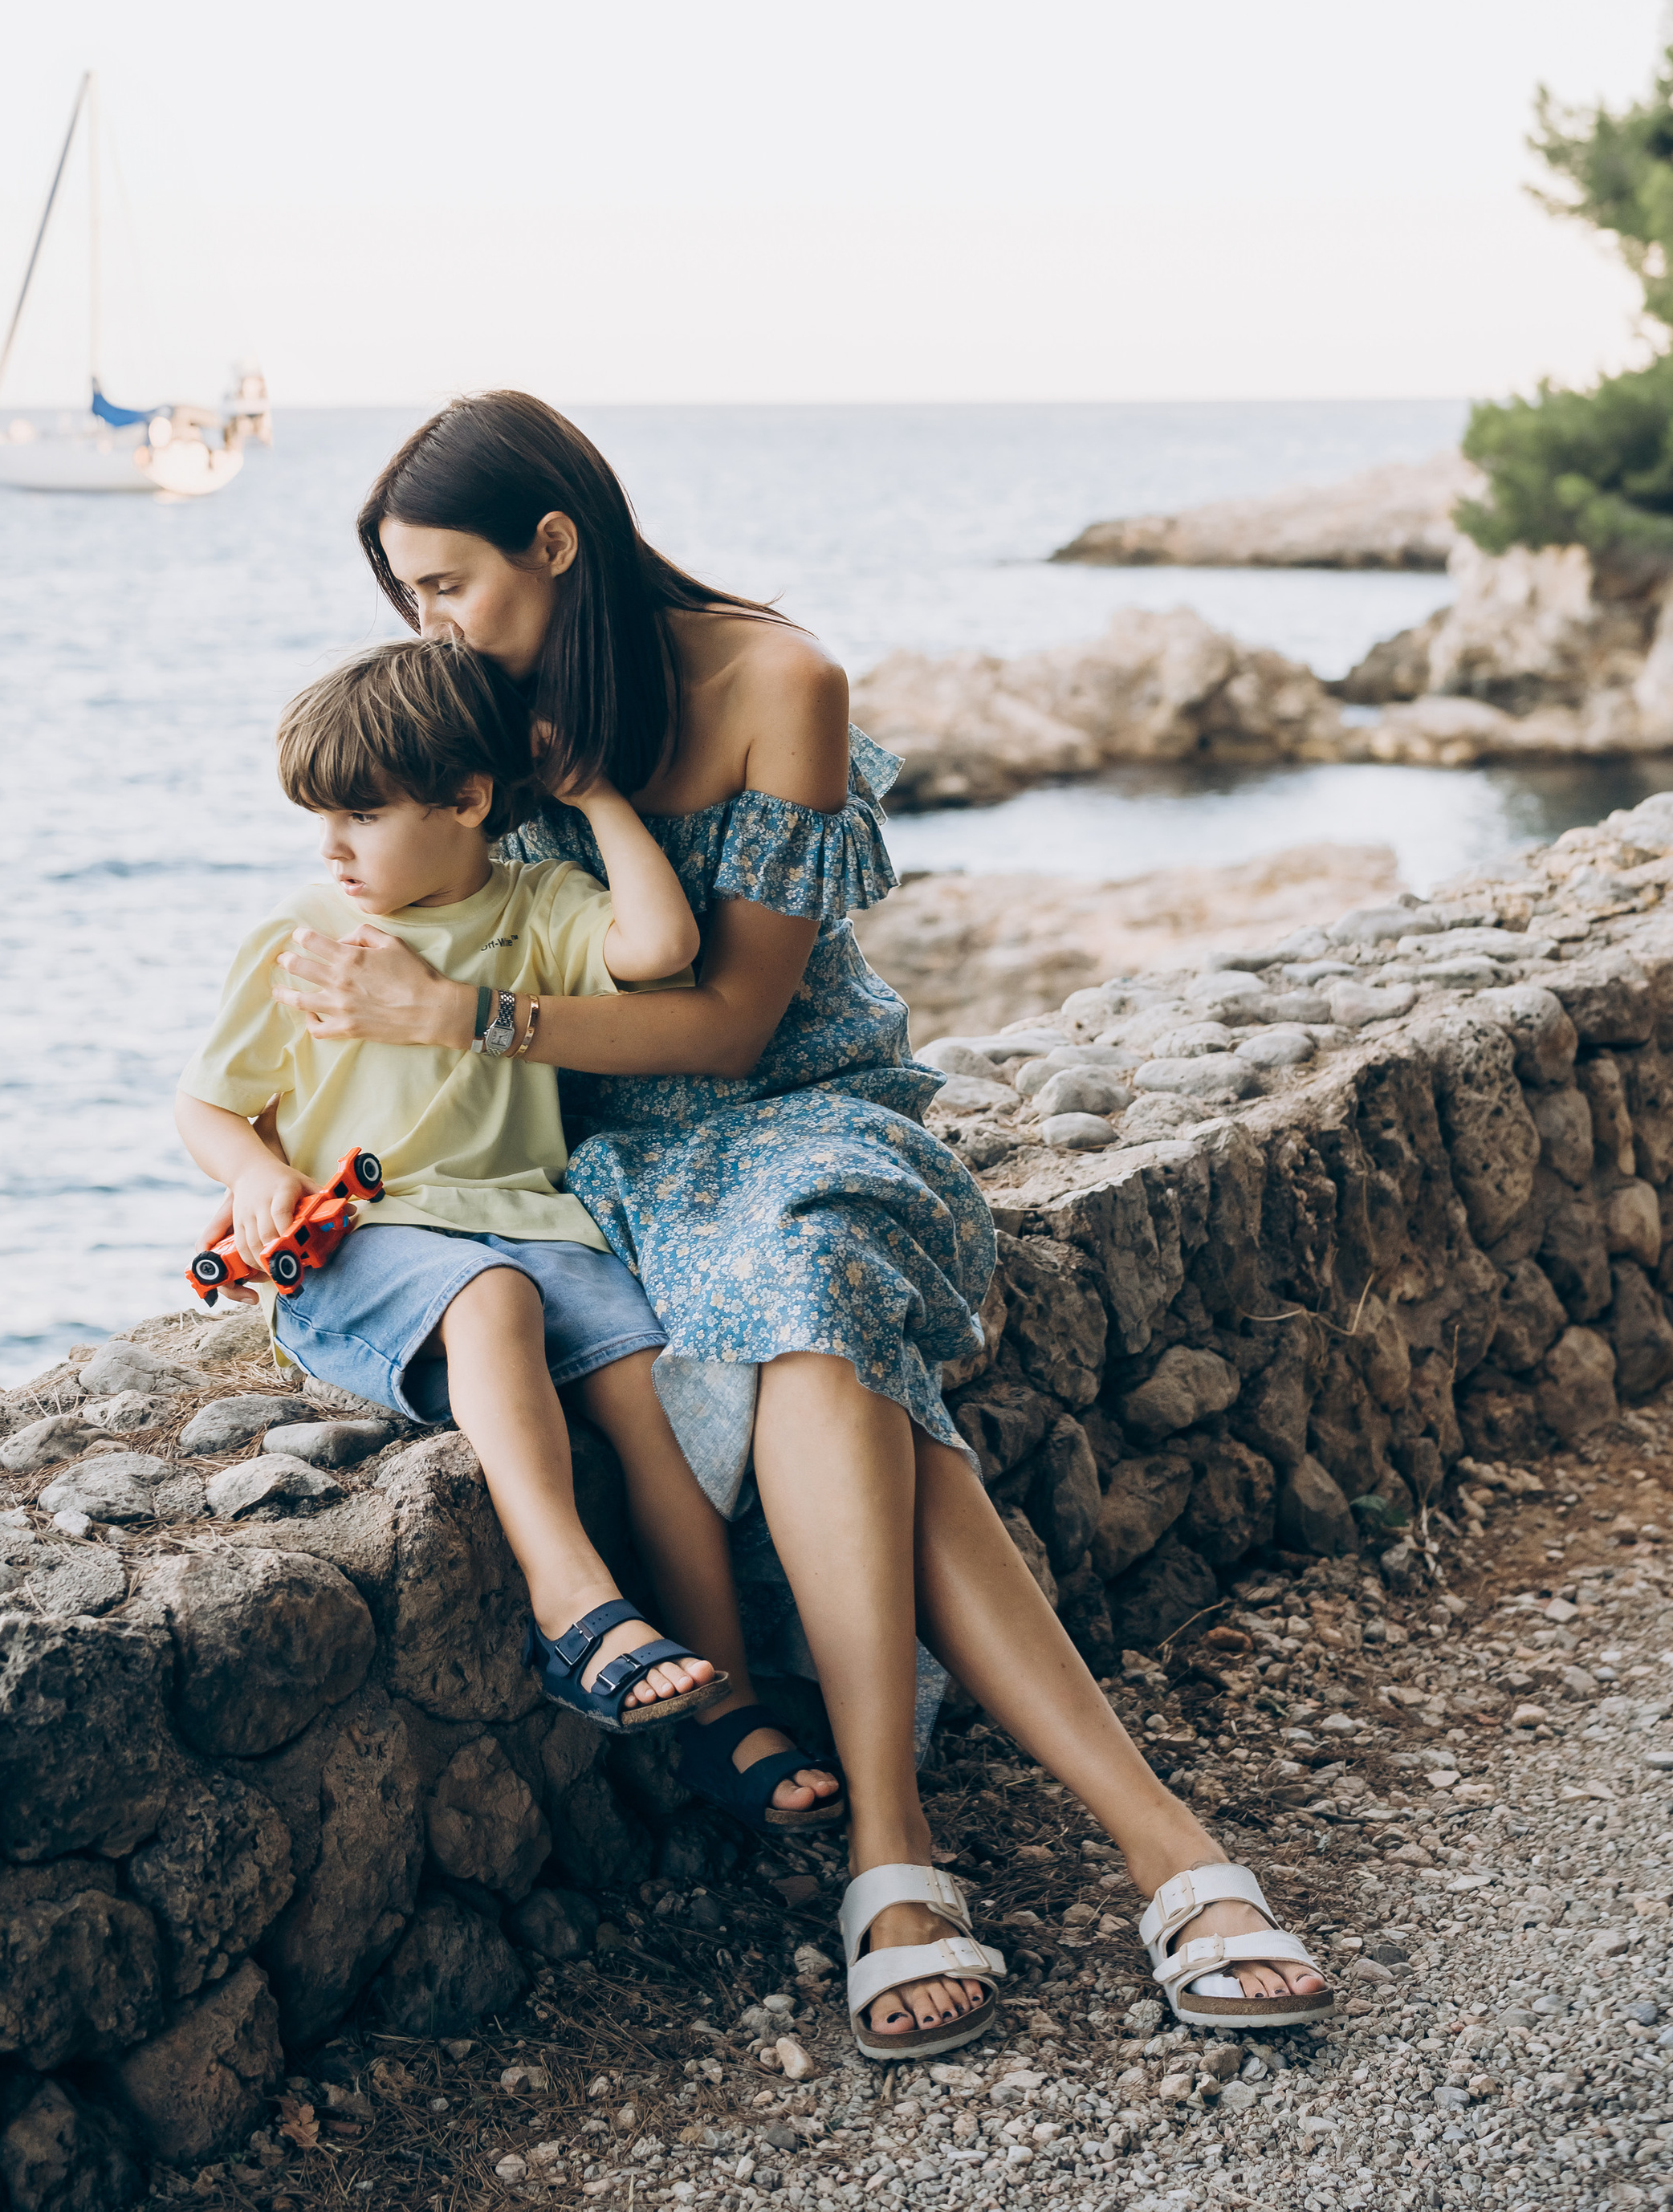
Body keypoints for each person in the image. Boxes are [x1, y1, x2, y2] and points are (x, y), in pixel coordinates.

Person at [273, 395, 1333, 2062]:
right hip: (590, 1160)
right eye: (408, 595)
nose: (429, 626)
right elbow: (385, 879)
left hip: (795, 1114)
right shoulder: (474, 711)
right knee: (839, 1372)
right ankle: (1152, 1848)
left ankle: (893, 1854)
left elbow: (726, 1030)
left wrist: (460, 1020)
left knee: (812, 1274)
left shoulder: (778, 684)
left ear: (555, 542)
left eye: (448, 584)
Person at [174, 637, 843, 1802]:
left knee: (654, 1398)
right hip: (363, 1244)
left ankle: (723, 1706)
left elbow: (668, 950)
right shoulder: (304, 938)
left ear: (470, 801)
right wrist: (246, 1174)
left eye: (361, 816)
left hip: (529, 1222)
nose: (329, 848)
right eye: (317, 818)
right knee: (493, 1302)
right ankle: (573, 1604)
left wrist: (592, 793)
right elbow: (208, 1102)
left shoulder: (536, 909)